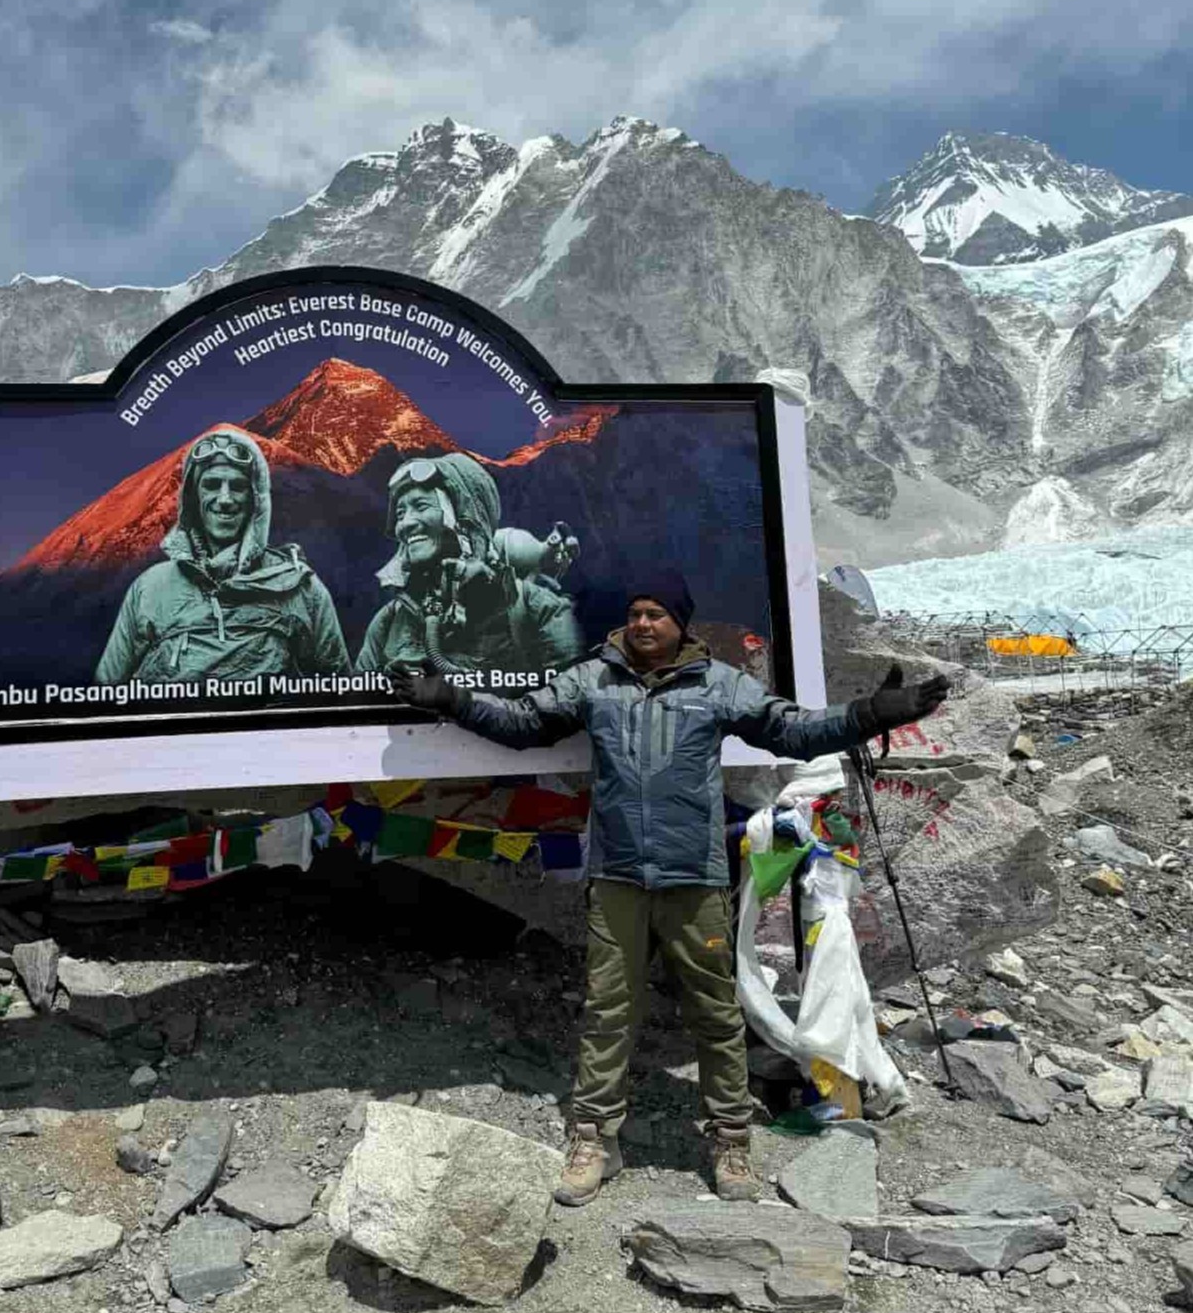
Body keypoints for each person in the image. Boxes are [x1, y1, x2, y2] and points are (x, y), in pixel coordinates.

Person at [391, 570, 947, 1205]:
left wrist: (871, 716)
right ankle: (596, 1138)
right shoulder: (591, 679)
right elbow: (524, 724)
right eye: (635, 611)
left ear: (680, 622)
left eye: (656, 613)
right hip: (617, 878)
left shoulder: (717, 685)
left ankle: (730, 1142)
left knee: (713, 1014)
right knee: (607, 1012)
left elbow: (791, 731)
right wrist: (453, 701)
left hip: (696, 880)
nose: (643, 623)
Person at [96, 427, 350, 684]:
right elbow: (104, 695)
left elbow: (342, 693)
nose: (225, 499)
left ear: (256, 499)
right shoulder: (150, 589)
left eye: (238, 486)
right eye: (212, 485)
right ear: (193, 497)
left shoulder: (300, 588)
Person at [356, 453, 583, 676]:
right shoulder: (389, 622)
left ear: (466, 519)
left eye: (421, 506)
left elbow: (567, 706)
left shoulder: (539, 610)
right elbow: (358, 704)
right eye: (400, 513)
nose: (405, 524)